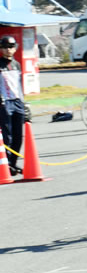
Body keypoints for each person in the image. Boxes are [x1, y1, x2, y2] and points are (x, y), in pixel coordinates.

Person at [0, 36, 24, 175]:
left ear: (15, 48)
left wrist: (24, 104)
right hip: (4, 103)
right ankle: (6, 164)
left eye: (10, 47)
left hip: (17, 101)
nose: (8, 50)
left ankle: (13, 163)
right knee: (7, 136)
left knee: (18, 136)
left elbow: (19, 86)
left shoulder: (16, 64)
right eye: (5, 47)